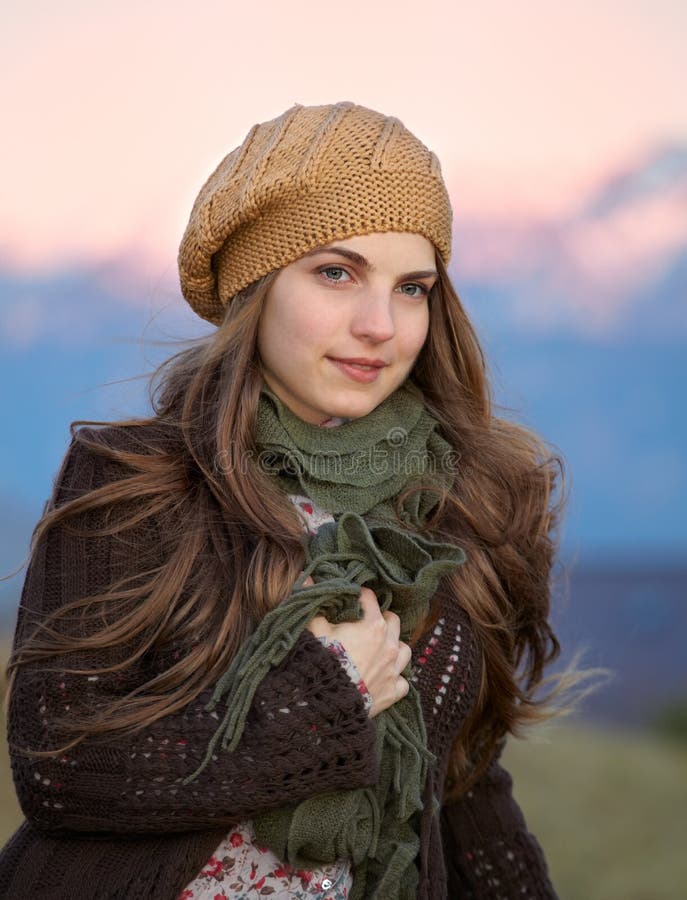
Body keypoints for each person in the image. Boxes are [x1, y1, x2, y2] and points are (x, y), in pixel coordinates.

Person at [1, 101, 571, 899]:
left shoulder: (461, 504)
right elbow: (62, 772)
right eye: (335, 273)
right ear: (256, 288)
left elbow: (462, 782)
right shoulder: (134, 482)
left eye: (412, 288)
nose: (379, 324)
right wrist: (325, 701)